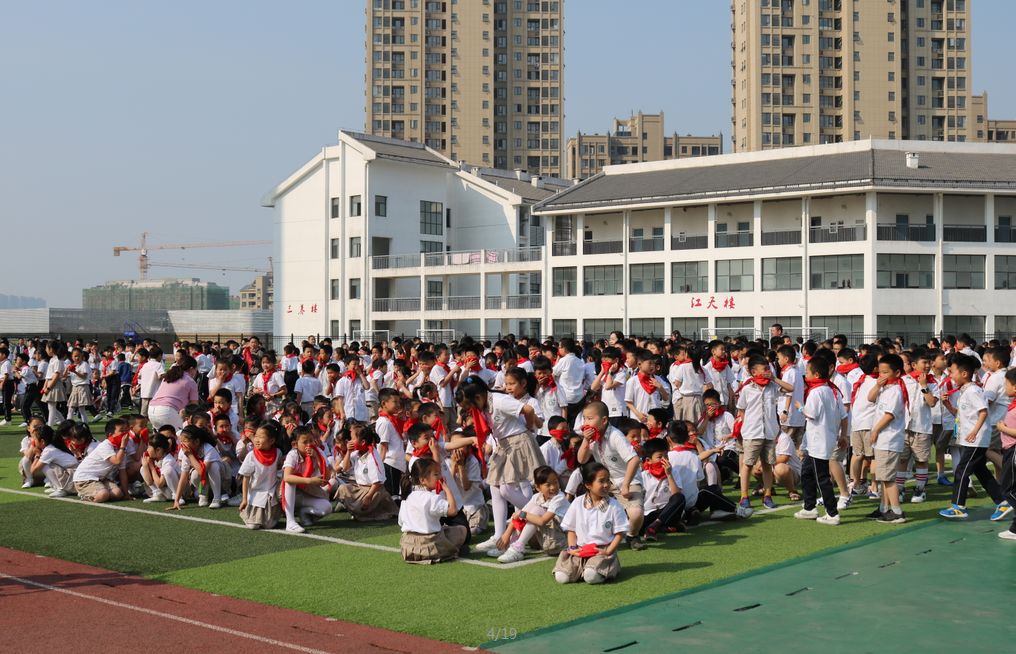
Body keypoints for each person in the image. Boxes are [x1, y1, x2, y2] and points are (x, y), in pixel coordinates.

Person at [455, 374, 545, 554]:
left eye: (469, 405)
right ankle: (499, 535)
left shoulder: (499, 400)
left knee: (506, 489)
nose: (469, 410)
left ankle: (539, 516)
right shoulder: (485, 404)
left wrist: (528, 427)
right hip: (503, 445)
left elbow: (527, 410)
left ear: (479, 397)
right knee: (494, 486)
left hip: (518, 442)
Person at [938, 354, 1006, 520]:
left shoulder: (973, 391)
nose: (950, 376)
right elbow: (959, 414)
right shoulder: (965, 391)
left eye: (952, 372)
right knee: (981, 471)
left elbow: (983, 411)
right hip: (971, 438)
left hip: (976, 439)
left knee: (962, 470)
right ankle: (1002, 502)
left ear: (964, 374)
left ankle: (958, 506)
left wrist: (974, 431)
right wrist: (947, 404)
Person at [575, 401, 646, 551]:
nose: (586, 423)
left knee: (636, 514)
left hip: (627, 479)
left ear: (604, 420)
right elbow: (581, 459)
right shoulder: (592, 437)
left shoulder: (616, 436)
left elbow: (634, 459)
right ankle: (597, 537)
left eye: (590, 418)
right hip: (605, 482)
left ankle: (632, 535)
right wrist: (586, 440)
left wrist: (626, 485)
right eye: (584, 419)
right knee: (588, 508)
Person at [552, 462, 629, 585]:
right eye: (601, 481)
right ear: (588, 485)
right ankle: (587, 568)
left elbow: (620, 533)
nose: (606, 485)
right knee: (561, 577)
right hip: (580, 550)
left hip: (602, 551)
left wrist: (608, 551)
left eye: (608, 480)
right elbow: (571, 529)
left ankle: (606, 567)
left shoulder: (614, 506)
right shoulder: (577, 503)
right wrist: (572, 548)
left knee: (591, 577)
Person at [793, 359, 847, 525]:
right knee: (806, 472)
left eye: (808, 372)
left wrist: (800, 407)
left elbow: (811, 413)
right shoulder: (832, 390)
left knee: (821, 477)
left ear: (816, 374)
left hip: (819, 441)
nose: (806, 375)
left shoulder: (817, 392)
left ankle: (832, 513)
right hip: (822, 439)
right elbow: (842, 415)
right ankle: (809, 507)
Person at [398, 458, 468, 564]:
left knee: (443, 529)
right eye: (436, 474)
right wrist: (447, 489)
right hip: (428, 544)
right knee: (462, 530)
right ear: (423, 480)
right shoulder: (431, 497)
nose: (439, 477)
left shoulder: (407, 497)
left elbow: (401, 522)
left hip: (408, 545)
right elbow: (453, 511)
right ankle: (446, 551)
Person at [867, 354, 909, 524]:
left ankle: (897, 511)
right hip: (883, 440)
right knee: (883, 475)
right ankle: (884, 508)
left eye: (886, 372)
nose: (881, 375)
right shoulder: (885, 388)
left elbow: (889, 415)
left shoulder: (896, 390)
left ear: (897, 373)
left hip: (889, 439)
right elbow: (870, 398)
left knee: (888, 478)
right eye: (880, 372)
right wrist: (877, 385)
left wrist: (876, 430)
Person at [736, 356, 780, 510]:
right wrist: (744, 425)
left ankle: (767, 495)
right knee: (747, 465)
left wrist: (774, 378)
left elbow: (790, 389)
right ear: (754, 372)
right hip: (752, 432)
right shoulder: (747, 388)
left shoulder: (773, 386)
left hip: (769, 432)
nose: (767, 371)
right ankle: (744, 496)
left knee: (768, 465)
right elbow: (741, 408)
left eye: (768, 368)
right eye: (764, 369)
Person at [334, 422, 397, 523]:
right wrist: (349, 452)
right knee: (343, 489)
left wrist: (368, 497)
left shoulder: (372, 456)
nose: (350, 441)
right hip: (360, 488)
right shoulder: (356, 453)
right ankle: (360, 513)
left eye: (353, 439)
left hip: (373, 491)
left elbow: (377, 482)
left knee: (362, 509)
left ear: (362, 442)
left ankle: (377, 512)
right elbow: (344, 468)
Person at [899, 351, 938, 503]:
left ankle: (920, 489)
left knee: (921, 460)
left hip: (922, 427)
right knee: (902, 460)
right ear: (914, 365)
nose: (928, 366)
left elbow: (932, 402)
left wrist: (923, 386)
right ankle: (900, 489)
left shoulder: (932, 383)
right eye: (924, 363)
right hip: (903, 426)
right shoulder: (903, 380)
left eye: (929, 363)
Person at [71, 418, 131, 503]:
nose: (125, 434)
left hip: (100, 479)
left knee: (117, 494)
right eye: (121, 431)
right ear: (111, 434)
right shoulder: (106, 445)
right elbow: (116, 461)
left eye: (126, 430)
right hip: (84, 479)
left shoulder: (121, 449)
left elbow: (122, 472)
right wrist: (123, 446)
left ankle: (98, 491)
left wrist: (126, 494)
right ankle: (85, 495)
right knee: (103, 495)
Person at [237, 421, 283, 530]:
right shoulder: (251, 455)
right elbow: (246, 477)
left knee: (268, 525)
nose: (257, 439)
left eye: (261, 437)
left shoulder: (278, 452)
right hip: (255, 494)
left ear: (271, 440)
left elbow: (279, 469)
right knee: (253, 526)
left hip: (270, 494)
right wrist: (244, 499)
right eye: (256, 436)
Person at [169, 425, 226, 510]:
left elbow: (202, 471)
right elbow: (183, 477)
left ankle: (217, 498)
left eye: (185, 441)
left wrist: (190, 456)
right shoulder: (186, 452)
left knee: (213, 466)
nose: (182, 445)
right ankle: (203, 494)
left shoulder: (208, 448)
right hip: (206, 481)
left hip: (222, 479)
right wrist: (177, 500)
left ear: (196, 441)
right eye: (181, 442)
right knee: (194, 475)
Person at [639, 438, 686, 541]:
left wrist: (669, 475)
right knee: (637, 526)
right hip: (649, 513)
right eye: (659, 457)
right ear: (648, 460)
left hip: (668, 512)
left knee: (679, 497)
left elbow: (676, 495)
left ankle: (655, 527)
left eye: (666, 456)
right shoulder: (643, 476)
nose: (664, 460)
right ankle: (664, 528)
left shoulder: (673, 473)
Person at [993, 368, 1016, 540]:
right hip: (1009, 450)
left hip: (1014, 450)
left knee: (1007, 488)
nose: (1004, 387)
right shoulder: (1013, 403)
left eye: (1006, 384)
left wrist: (1003, 428)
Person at [147, 355, 199, 430]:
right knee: (179, 436)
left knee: (162, 437)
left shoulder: (169, 376)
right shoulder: (190, 381)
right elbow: (194, 405)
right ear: (191, 369)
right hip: (167, 411)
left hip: (152, 410)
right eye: (195, 370)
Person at [30, 424, 78, 497]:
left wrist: (37, 455)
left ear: (42, 441)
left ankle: (60, 489)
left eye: (35, 439)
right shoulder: (54, 446)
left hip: (73, 477)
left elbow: (34, 471)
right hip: (73, 475)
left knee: (45, 465)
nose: (34, 441)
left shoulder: (49, 450)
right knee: (48, 463)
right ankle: (56, 486)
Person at [140, 430, 182, 503]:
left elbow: (160, 484)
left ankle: (178, 497)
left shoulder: (168, 460)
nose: (147, 450)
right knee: (143, 468)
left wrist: (151, 467)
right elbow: (149, 483)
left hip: (181, 491)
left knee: (168, 470)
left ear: (158, 450)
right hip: (167, 492)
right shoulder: (154, 459)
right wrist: (146, 466)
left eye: (149, 447)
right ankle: (158, 494)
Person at [40, 340, 67, 426]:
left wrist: (48, 387)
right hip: (50, 384)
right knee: (51, 407)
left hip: (54, 385)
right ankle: (65, 423)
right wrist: (45, 386)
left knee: (51, 407)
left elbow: (56, 375)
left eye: (47, 348)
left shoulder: (58, 360)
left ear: (51, 349)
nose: (46, 350)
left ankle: (49, 426)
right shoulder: (52, 360)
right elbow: (48, 376)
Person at [65, 348, 94, 424]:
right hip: (74, 387)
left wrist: (74, 371)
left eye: (78, 356)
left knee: (81, 409)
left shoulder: (84, 364)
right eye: (75, 356)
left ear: (82, 356)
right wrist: (66, 369)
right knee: (70, 408)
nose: (77, 358)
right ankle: (68, 426)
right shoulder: (72, 365)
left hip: (82, 386)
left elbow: (84, 376)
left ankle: (85, 425)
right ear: (72, 357)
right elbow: (64, 377)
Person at [137, 345, 165, 418]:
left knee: (144, 414)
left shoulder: (145, 365)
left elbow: (139, 375)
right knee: (154, 413)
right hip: (155, 393)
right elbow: (161, 375)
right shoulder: (158, 365)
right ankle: (154, 428)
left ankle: (142, 427)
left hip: (144, 393)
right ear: (159, 356)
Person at [0, 346, 14, 425]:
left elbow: (6, 375)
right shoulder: (4, 363)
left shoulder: (6, 363)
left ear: (4, 355)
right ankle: (7, 418)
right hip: (7, 383)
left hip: (7, 384)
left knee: (6, 402)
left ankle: (8, 419)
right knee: (6, 402)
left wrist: (2, 384)